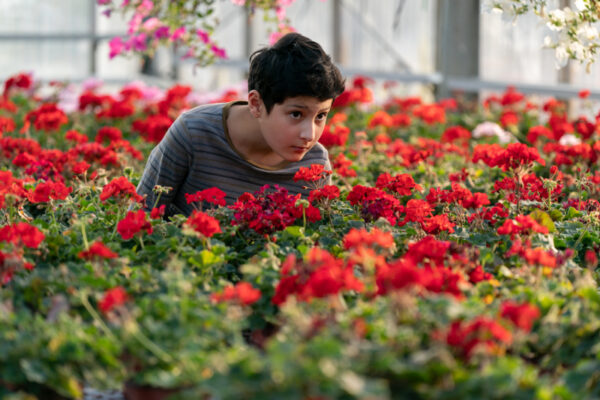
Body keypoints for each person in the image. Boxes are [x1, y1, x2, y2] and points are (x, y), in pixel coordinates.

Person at [136, 32, 345, 217]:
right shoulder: (194, 132)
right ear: (256, 104)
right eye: (296, 114)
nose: (309, 134)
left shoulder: (315, 165)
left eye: (320, 116)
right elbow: (139, 216)